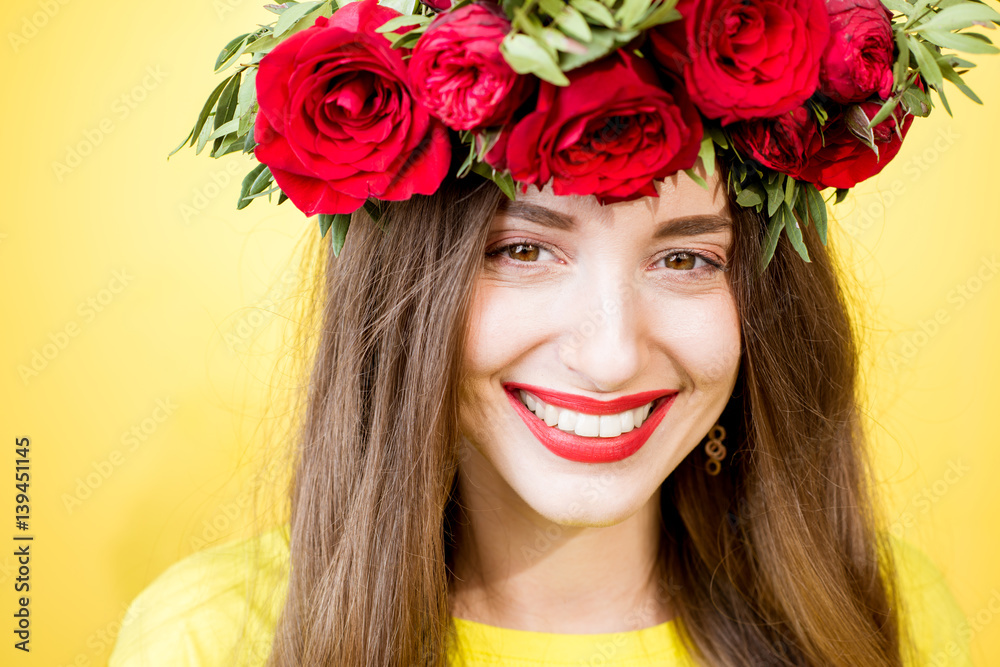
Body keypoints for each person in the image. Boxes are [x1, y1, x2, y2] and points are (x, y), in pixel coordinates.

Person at [110, 0, 994, 663]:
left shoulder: (892, 614)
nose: (610, 357)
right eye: (523, 249)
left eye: (685, 260)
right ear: (407, 288)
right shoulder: (211, 638)